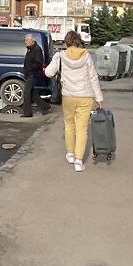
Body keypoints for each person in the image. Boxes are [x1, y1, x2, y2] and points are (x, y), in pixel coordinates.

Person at [43, 29, 104, 171]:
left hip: (68, 95)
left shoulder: (60, 56)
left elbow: (49, 73)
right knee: (82, 129)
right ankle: (78, 161)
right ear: (78, 41)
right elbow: (93, 78)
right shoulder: (87, 56)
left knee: (69, 125)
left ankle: (70, 154)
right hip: (86, 96)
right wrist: (99, 97)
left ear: (67, 42)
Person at [21, 32, 45, 118]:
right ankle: (44, 106)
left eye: (27, 40)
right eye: (25, 40)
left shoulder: (37, 49)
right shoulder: (30, 48)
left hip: (33, 74)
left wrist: (30, 68)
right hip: (29, 73)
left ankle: (27, 112)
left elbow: (38, 63)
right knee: (32, 92)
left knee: (26, 92)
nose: (25, 42)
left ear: (32, 41)